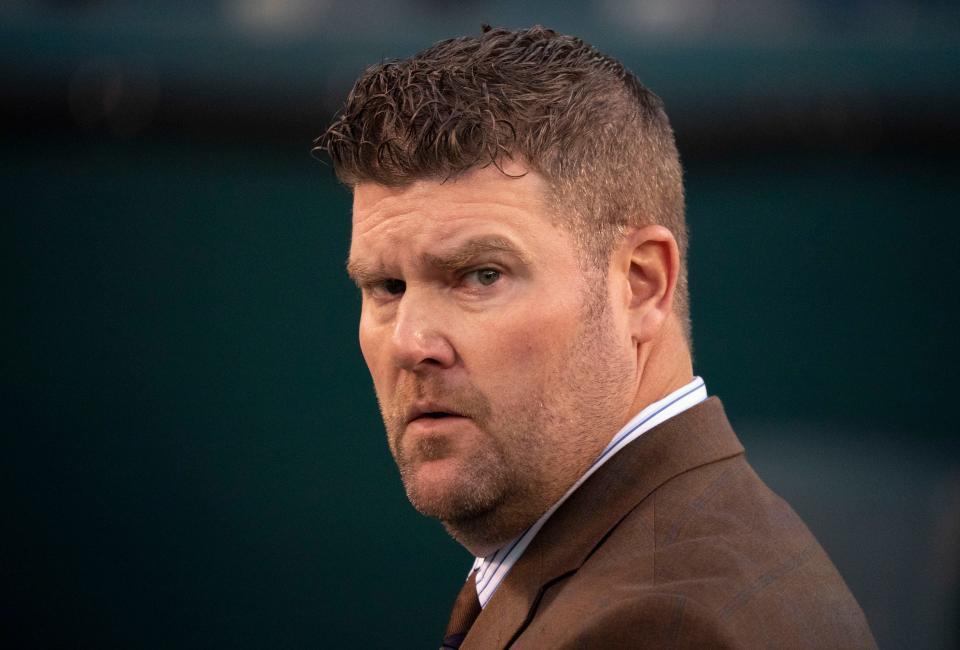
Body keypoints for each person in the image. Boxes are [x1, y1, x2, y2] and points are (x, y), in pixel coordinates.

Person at [316, 25, 877, 649]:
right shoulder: (656, 564)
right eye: (387, 287)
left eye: (481, 275)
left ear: (641, 285)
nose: (411, 342)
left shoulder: (661, 626)